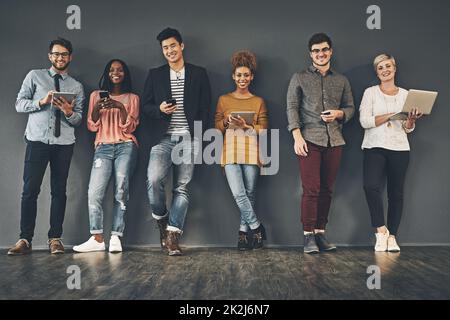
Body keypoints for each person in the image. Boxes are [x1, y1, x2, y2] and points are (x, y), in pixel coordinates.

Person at [8, 37, 85, 255]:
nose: (60, 58)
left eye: (64, 54)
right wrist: (42, 102)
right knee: (30, 191)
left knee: (59, 191)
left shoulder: (76, 86)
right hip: (37, 141)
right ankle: (25, 239)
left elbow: (79, 119)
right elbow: (19, 104)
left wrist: (69, 111)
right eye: (56, 54)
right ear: (50, 56)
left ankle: (55, 239)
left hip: (64, 144)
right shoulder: (35, 76)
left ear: (70, 57)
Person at [142, 27, 211, 256]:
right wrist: (160, 110)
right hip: (163, 138)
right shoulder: (155, 74)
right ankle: (162, 221)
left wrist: (200, 138)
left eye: (173, 45)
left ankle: (172, 235)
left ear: (181, 46)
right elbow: (146, 107)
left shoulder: (199, 73)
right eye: (165, 48)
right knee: (153, 180)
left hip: (189, 138)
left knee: (182, 187)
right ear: (162, 51)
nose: (169, 50)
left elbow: (205, 108)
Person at [286, 33, 355, 254]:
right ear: (310, 54)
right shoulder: (299, 77)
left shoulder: (341, 80)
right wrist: (297, 136)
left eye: (324, 49)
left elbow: (351, 108)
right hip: (309, 139)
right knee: (311, 189)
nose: (321, 54)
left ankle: (320, 233)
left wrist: (339, 114)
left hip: (334, 140)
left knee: (327, 189)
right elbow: (291, 108)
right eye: (316, 51)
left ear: (331, 51)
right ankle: (308, 237)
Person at [73, 59, 139, 253]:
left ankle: (116, 236)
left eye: (119, 70)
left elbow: (131, 126)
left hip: (125, 145)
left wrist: (120, 107)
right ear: (107, 73)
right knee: (94, 192)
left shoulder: (133, 98)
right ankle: (97, 237)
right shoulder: (95, 95)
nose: (115, 73)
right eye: (111, 70)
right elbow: (92, 126)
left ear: (125, 73)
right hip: (102, 147)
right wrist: (97, 108)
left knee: (120, 190)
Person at [359, 54, 422, 252]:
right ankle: (381, 231)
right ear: (377, 72)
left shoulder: (405, 95)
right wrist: (391, 115)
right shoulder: (370, 93)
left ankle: (393, 236)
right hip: (374, 146)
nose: (385, 70)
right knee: (370, 186)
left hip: (400, 148)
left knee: (396, 194)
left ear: (394, 69)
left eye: (388, 66)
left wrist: (411, 120)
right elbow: (365, 121)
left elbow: (407, 128)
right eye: (380, 67)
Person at [215, 50, 269, 250]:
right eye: (239, 75)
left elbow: (263, 130)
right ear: (233, 76)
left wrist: (247, 127)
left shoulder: (258, 101)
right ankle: (256, 227)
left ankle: (243, 235)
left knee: (250, 193)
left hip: (252, 151)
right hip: (230, 151)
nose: (242, 79)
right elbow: (217, 128)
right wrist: (228, 122)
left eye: (246, 75)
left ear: (252, 76)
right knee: (239, 193)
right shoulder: (224, 100)